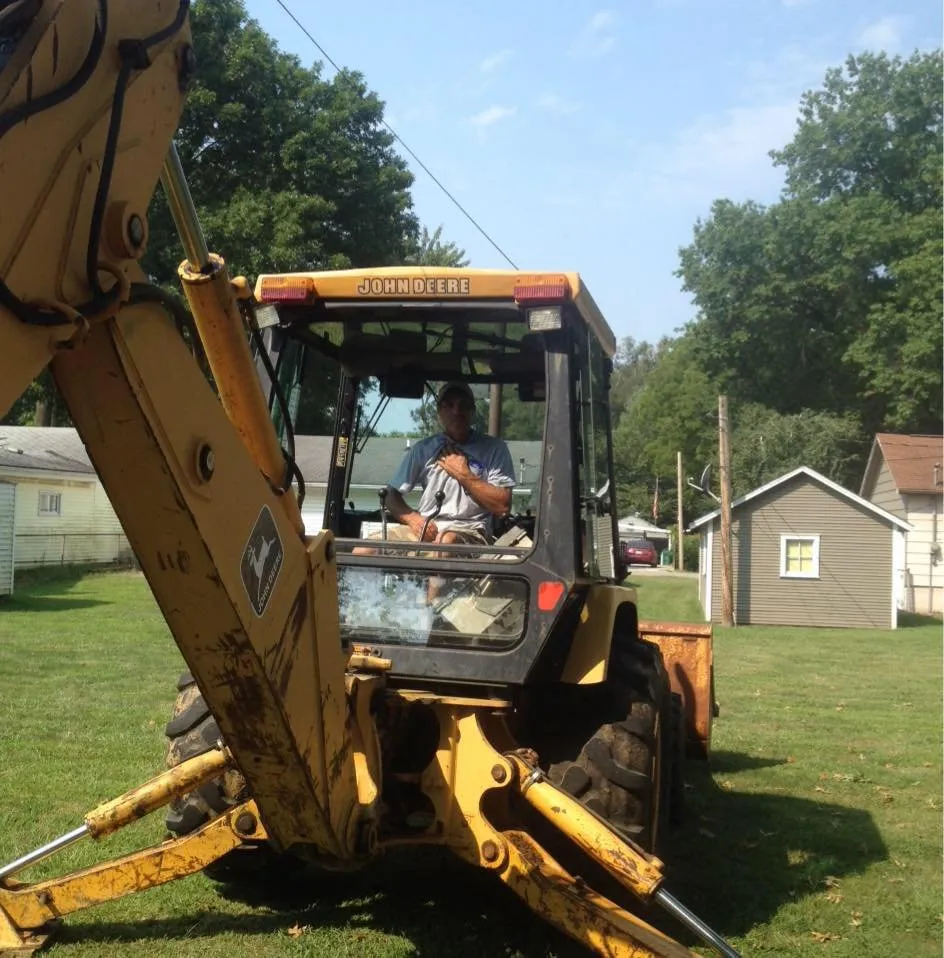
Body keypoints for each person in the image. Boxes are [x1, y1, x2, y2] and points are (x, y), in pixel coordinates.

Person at [357, 381, 516, 554]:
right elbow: (390, 495)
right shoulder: (423, 449)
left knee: (444, 544)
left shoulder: (494, 449)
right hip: (426, 528)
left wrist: (464, 474)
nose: (456, 411)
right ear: (439, 412)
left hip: (470, 531)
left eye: (463, 405)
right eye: (449, 405)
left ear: (473, 410)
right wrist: (413, 519)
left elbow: (502, 506)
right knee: (363, 550)